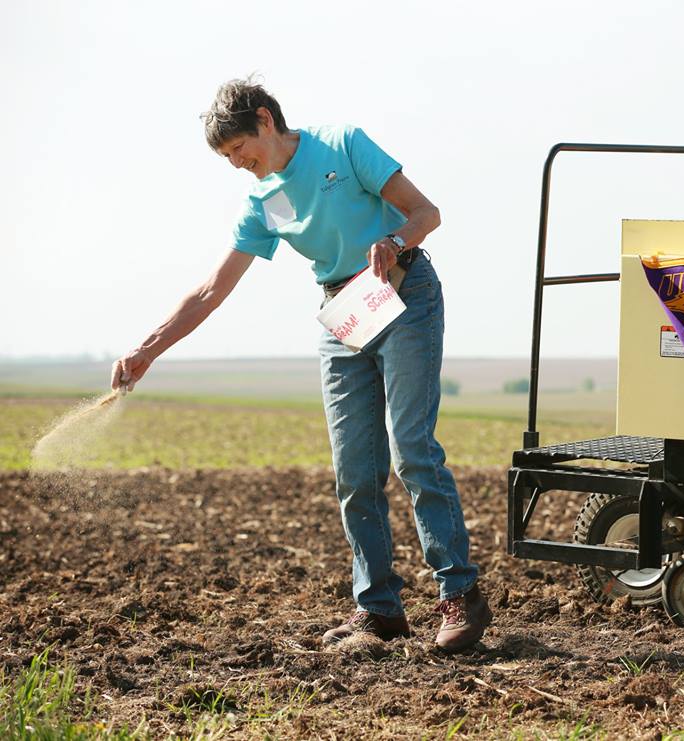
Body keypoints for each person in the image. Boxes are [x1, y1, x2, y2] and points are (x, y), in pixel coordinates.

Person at [111, 77, 492, 652]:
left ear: (265, 121)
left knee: (413, 450)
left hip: (404, 294)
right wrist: (148, 348)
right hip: (345, 311)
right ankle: (378, 609)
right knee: (354, 471)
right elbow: (213, 289)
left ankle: (459, 594)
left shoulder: (342, 143)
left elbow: (426, 212)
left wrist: (394, 238)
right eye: (227, 159)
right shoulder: (263, 201)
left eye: (239, 150)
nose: (238, 164)